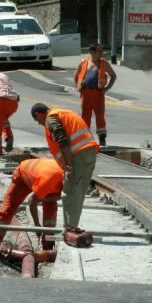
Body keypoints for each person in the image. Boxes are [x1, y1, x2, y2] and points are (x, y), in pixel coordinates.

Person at [31, 103, 99, 246]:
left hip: (77, 155)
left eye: (38, 121)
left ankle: (69, 229)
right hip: (90, 151)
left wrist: (68, 166)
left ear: (38, 114)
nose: (40, 124)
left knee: (70, 191)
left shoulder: (51, 118)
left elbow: (62, 140)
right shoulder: (64, 112)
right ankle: (73, 226)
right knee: (79, 191)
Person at [0, 157, 64, 251]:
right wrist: (37, 225)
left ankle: (47, 248)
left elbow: (64, 196)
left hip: (41, 175)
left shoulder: (73, 180)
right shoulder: (50, 179)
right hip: (23, 176)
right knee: (9, 208)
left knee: (50, 207)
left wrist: (46, 198)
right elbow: (32, 200)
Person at [74, 43, 116, 147]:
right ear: (92, 52)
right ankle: (85, 139)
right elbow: (76, 76)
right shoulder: (83, 63)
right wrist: (79, 87)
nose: (101, 53)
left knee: (100, 117)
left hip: (98, 94)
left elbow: (113, 76)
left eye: (101, 51)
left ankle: (102, 138)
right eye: (99, 51)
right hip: (86, 94)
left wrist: (107, 88)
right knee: (85, 117)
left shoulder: (104, 63)